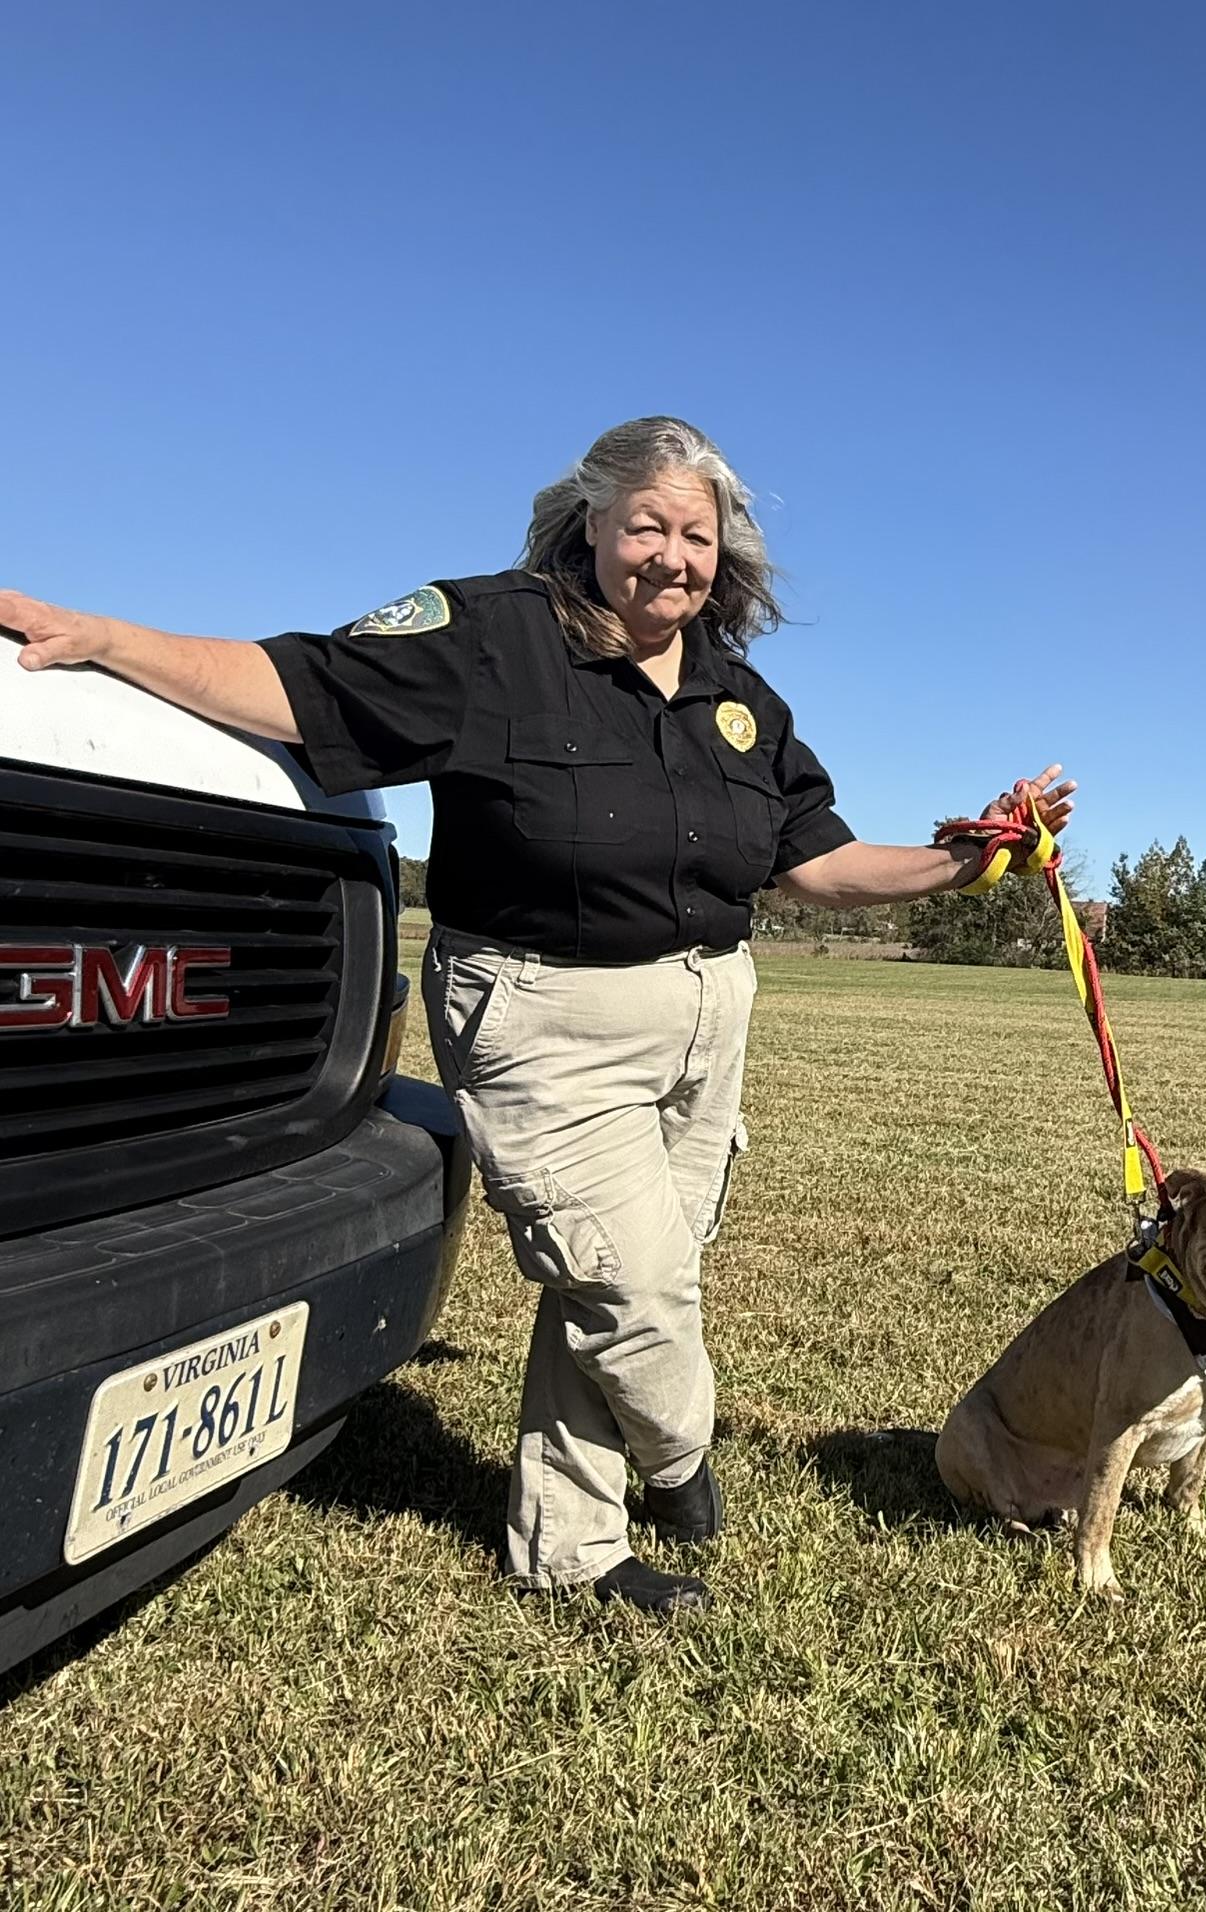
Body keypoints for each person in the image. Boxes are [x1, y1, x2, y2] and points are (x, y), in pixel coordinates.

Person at [1, 416, 1075, 1614]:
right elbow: (300, 688)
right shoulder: (493, 635)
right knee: (633, 1288)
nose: (672, 557)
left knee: (607, 1285)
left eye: (697, 536)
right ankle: (679, 1457)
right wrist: (110, 638)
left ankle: (571, 1550)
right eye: (647, 526)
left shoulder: (737, 697)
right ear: (591, 524)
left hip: (705, 1017)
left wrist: (973, 856)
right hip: (544, 1014)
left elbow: (816, 864)